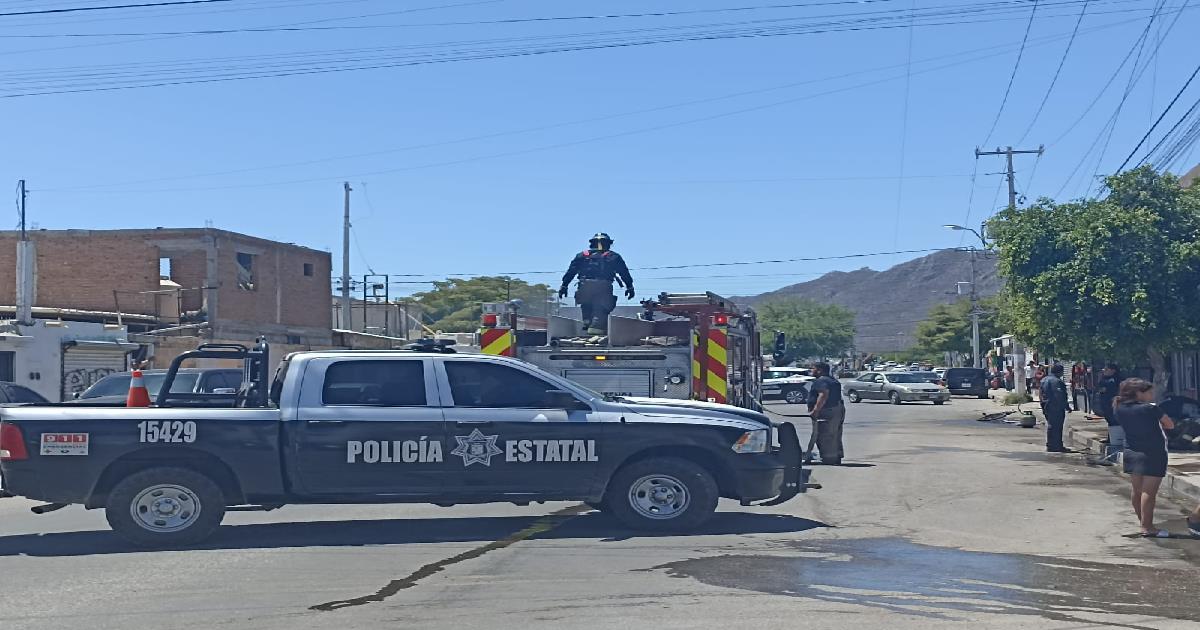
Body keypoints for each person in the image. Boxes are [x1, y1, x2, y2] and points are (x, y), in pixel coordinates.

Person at [1113, 378, 1175, 537]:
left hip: (1132, 451)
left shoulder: (1118, 407)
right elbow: (1169, 425)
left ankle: (1143, 522)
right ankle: (1148, 527)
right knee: (1149, 492)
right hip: (1153, 451)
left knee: (1137, 490)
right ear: (1138, 393)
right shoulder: (1151, 408)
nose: (1152, 395)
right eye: (1149, 392)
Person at [559, 232, 635, 335]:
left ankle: (587, 325)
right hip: (604, 286)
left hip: (584, 285)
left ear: (592, 243)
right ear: (608, 244)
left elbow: (571, 272)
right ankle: (595, 335)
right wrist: (629, 287)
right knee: (601, 309)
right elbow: (624, 273)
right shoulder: (613, 256)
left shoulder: (582, 256)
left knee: (586, 306)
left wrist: (564, 286)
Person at [806, 361, 845, 465]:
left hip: (827, 410)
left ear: (819, 370)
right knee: (835, 434)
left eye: (812, 368)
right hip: (836, 408)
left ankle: (829, 458)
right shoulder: (832, 380)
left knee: (825, 434)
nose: (811, 371)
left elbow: (823, 394)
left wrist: (815, 410)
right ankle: (836, 456)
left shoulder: (821, 381)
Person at [1095, 363, 1123, 463]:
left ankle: (1115, 440)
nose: (1104, 371)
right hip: (1105, 405)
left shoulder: (1115, 380)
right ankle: (1110, 438)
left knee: (1115, 422)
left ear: (1113, 370)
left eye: (1106, 369)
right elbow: (1100, 388)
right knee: (1110, 422)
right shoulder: (1104, 379)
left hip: (1113, 405)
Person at [1040, 363, 1070, 453]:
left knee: (1051, 426)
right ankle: (1056, 446)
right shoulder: (1056, 381)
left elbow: (1040, 394)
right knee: (1056, 427)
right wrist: (1066, 406)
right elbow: (1059, 396)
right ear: (1060, 372)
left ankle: (1051, 445)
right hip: (1055, 407)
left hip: (1046, 406)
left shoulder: (1044, 380)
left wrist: (1042, 405)